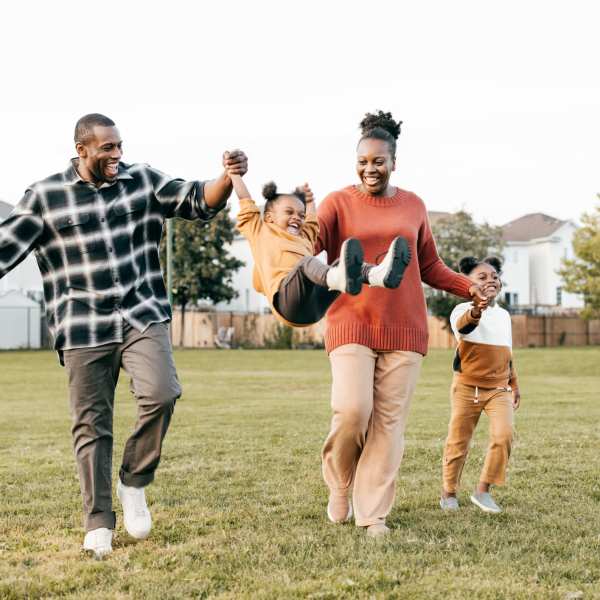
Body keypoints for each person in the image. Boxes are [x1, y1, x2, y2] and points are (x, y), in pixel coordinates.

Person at [0, 113, 247, 558]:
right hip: (82, 326)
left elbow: (197, 200)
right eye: (107, 149)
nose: (117, 155)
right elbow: (4, 248)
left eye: (119, 146)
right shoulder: (45, 197)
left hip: (141, 313)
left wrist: (226, 179)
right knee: (92, 426)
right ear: (82, 150)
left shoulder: (143, 180)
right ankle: (97, 523)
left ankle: (134, 480)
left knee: (162, 394)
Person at [315, 110, 486, 537]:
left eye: (378, 161)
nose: (370, 169)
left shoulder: (413, 205)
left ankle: (373, 513)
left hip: (405, 329)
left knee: (388, 425)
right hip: (351, 321)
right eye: (362, 162)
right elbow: (307, 248)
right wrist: (288, 218)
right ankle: (339, 483)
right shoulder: (336, 202)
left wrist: (470, 289)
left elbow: (430, 265)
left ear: (394, 161)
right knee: (353, 411)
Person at [231, 171, 411, 327]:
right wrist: (234, 174)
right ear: (269, 217)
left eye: (300, 215)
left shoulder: (304, 238)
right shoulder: (261, 232)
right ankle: (336, 277)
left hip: (314, 308)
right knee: (308, 263)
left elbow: (311, 221)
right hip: (286, 304)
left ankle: (379, 275)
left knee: (342, 264)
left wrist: (309, 201)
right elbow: (246, 201)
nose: (297, 218)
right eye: (289, 212)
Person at [440, 256, 521, 514]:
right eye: (482, 277)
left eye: (494, 276)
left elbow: (506, 350)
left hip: (499, 388)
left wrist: (514, 381)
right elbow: (466, 326)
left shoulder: (504, 315)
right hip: (467, 388)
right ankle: (448, 492)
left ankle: (483, 490)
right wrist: (477, 308)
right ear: (469, 283)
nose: (490, 281)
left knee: (504, 435)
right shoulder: (461, 311)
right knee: (458, 442)